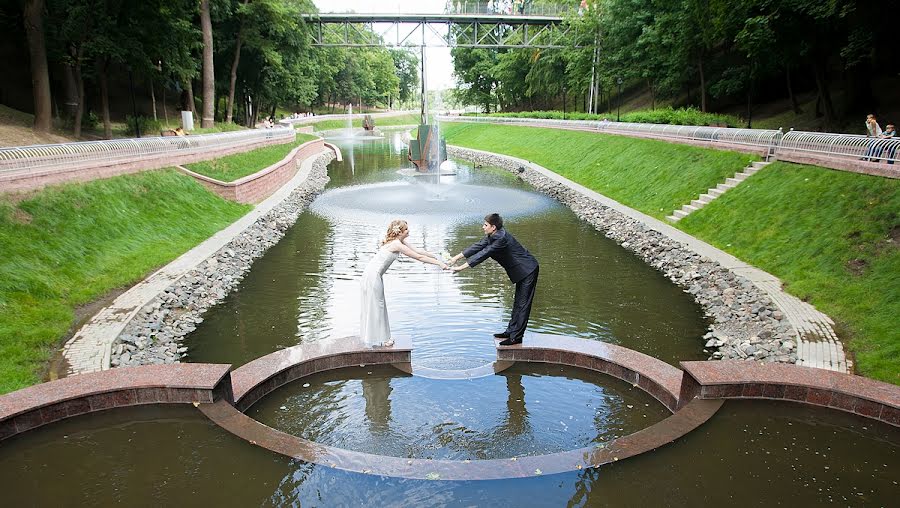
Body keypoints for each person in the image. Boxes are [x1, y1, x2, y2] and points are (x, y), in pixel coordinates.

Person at [449, 213, 539, 346]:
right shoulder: (494, 236)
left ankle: (516, 337)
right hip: (521, 271)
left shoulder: (500, 239)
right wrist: (455, 258)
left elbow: (484, 254)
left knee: (523, 304)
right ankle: (510, 332)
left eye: (485, 225)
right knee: (517, 303)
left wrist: (461, 268)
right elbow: (478, 246)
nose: (483, 227)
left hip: (528, 270)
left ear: (493, 227)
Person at [360, 220, 448, 348]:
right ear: (400, 232)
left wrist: (436, 257)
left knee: (379, 305)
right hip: (372, 276)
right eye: (406, 229)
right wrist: (439, 264)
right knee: (378, 306)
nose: (409, 231)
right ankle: (383, 340)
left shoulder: (400, 242)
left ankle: (382, 338)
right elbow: (418, 258)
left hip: (372, 275)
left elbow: (419, 251)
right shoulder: (396, 244)